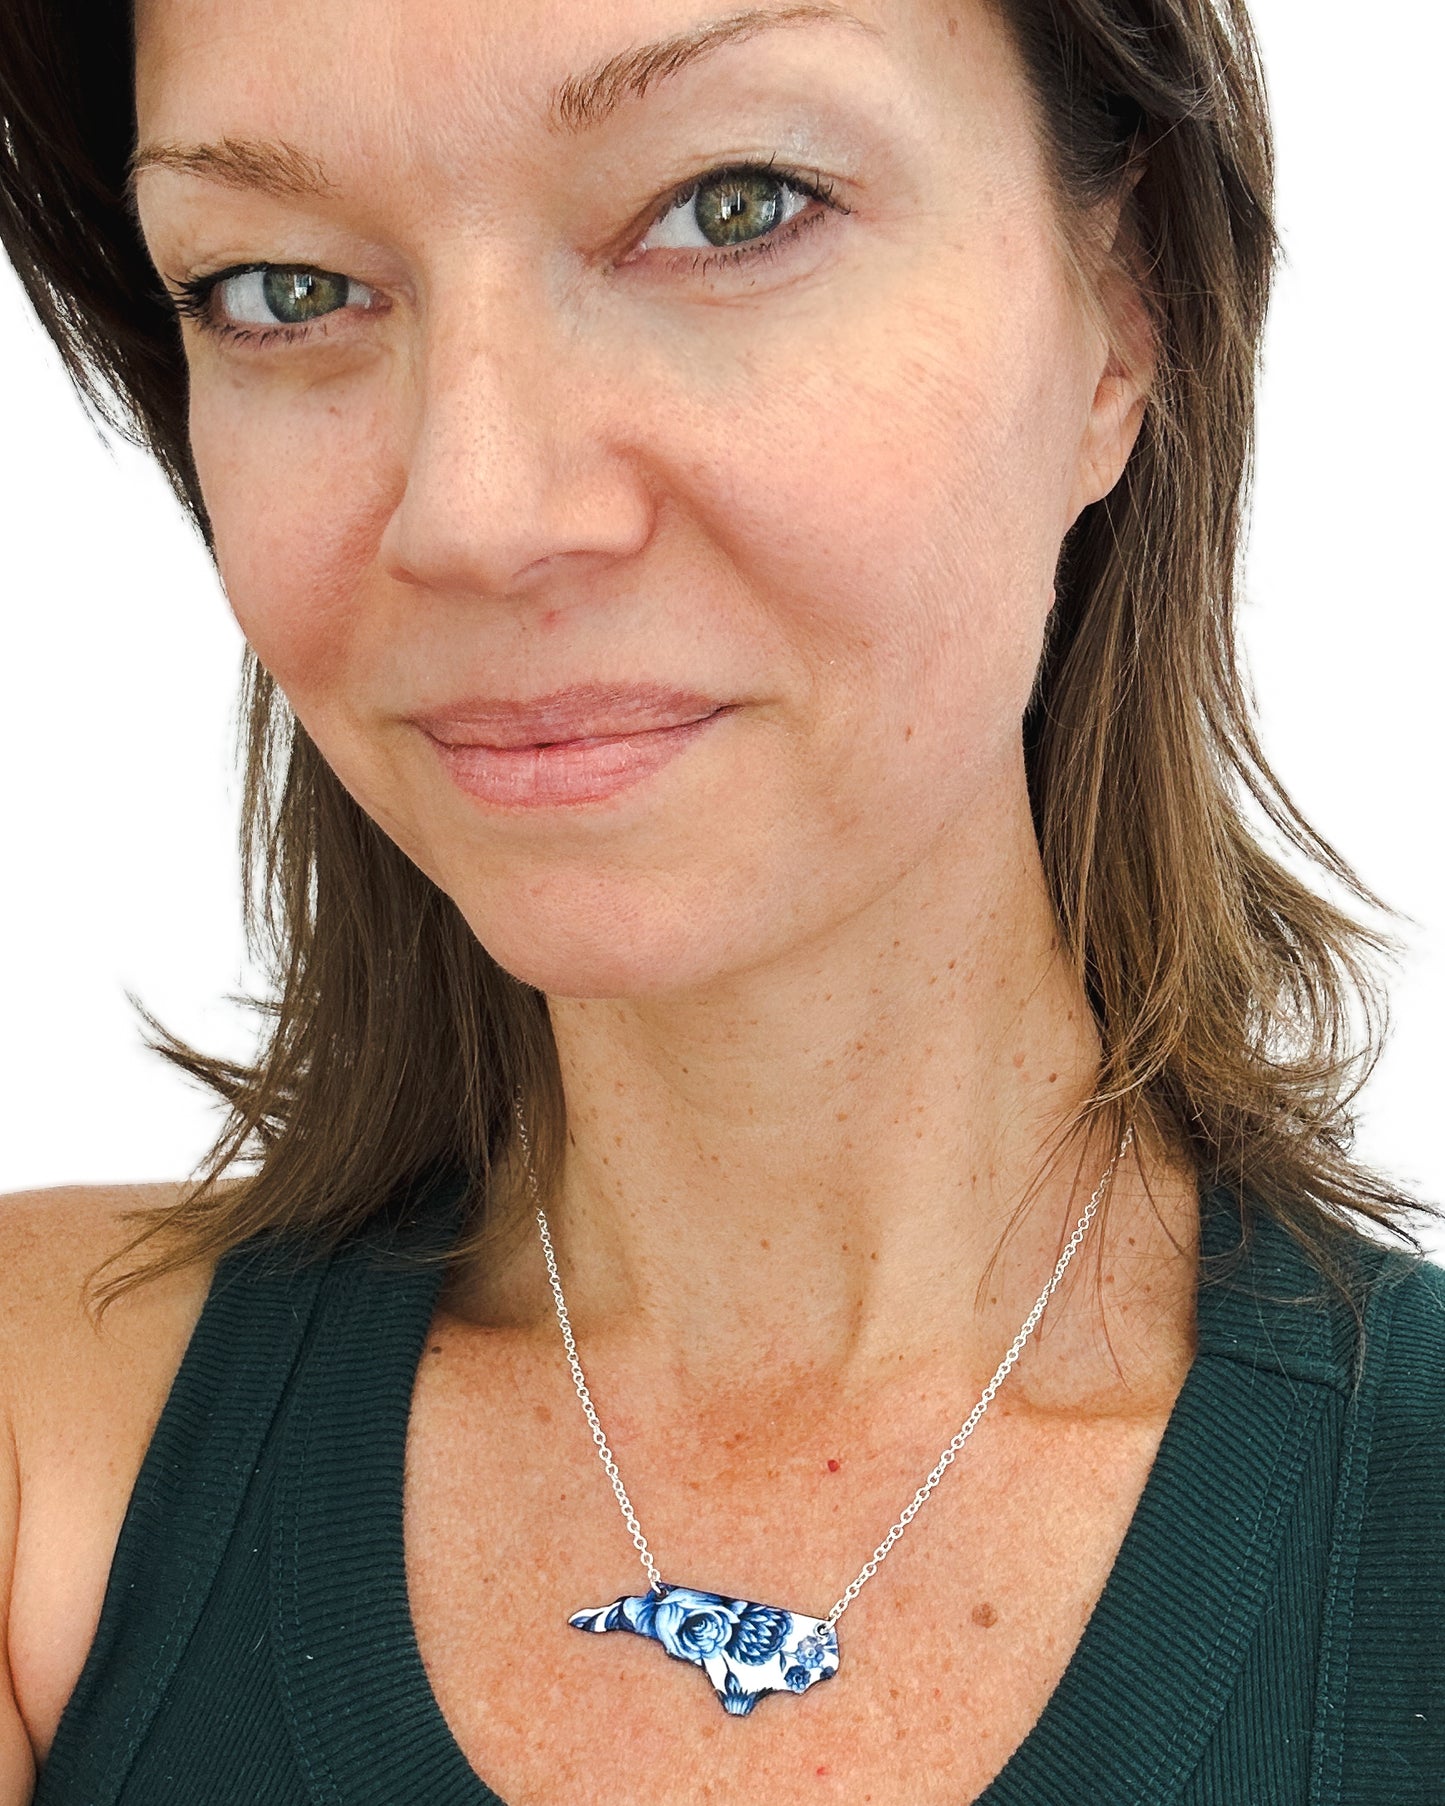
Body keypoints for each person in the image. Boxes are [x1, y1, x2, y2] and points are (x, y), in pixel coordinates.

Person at [0, 0, 1441, 1799]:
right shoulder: (40, 1462)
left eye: (731, 205)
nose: (475, 508)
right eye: (285, 286)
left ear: (1121, 311)